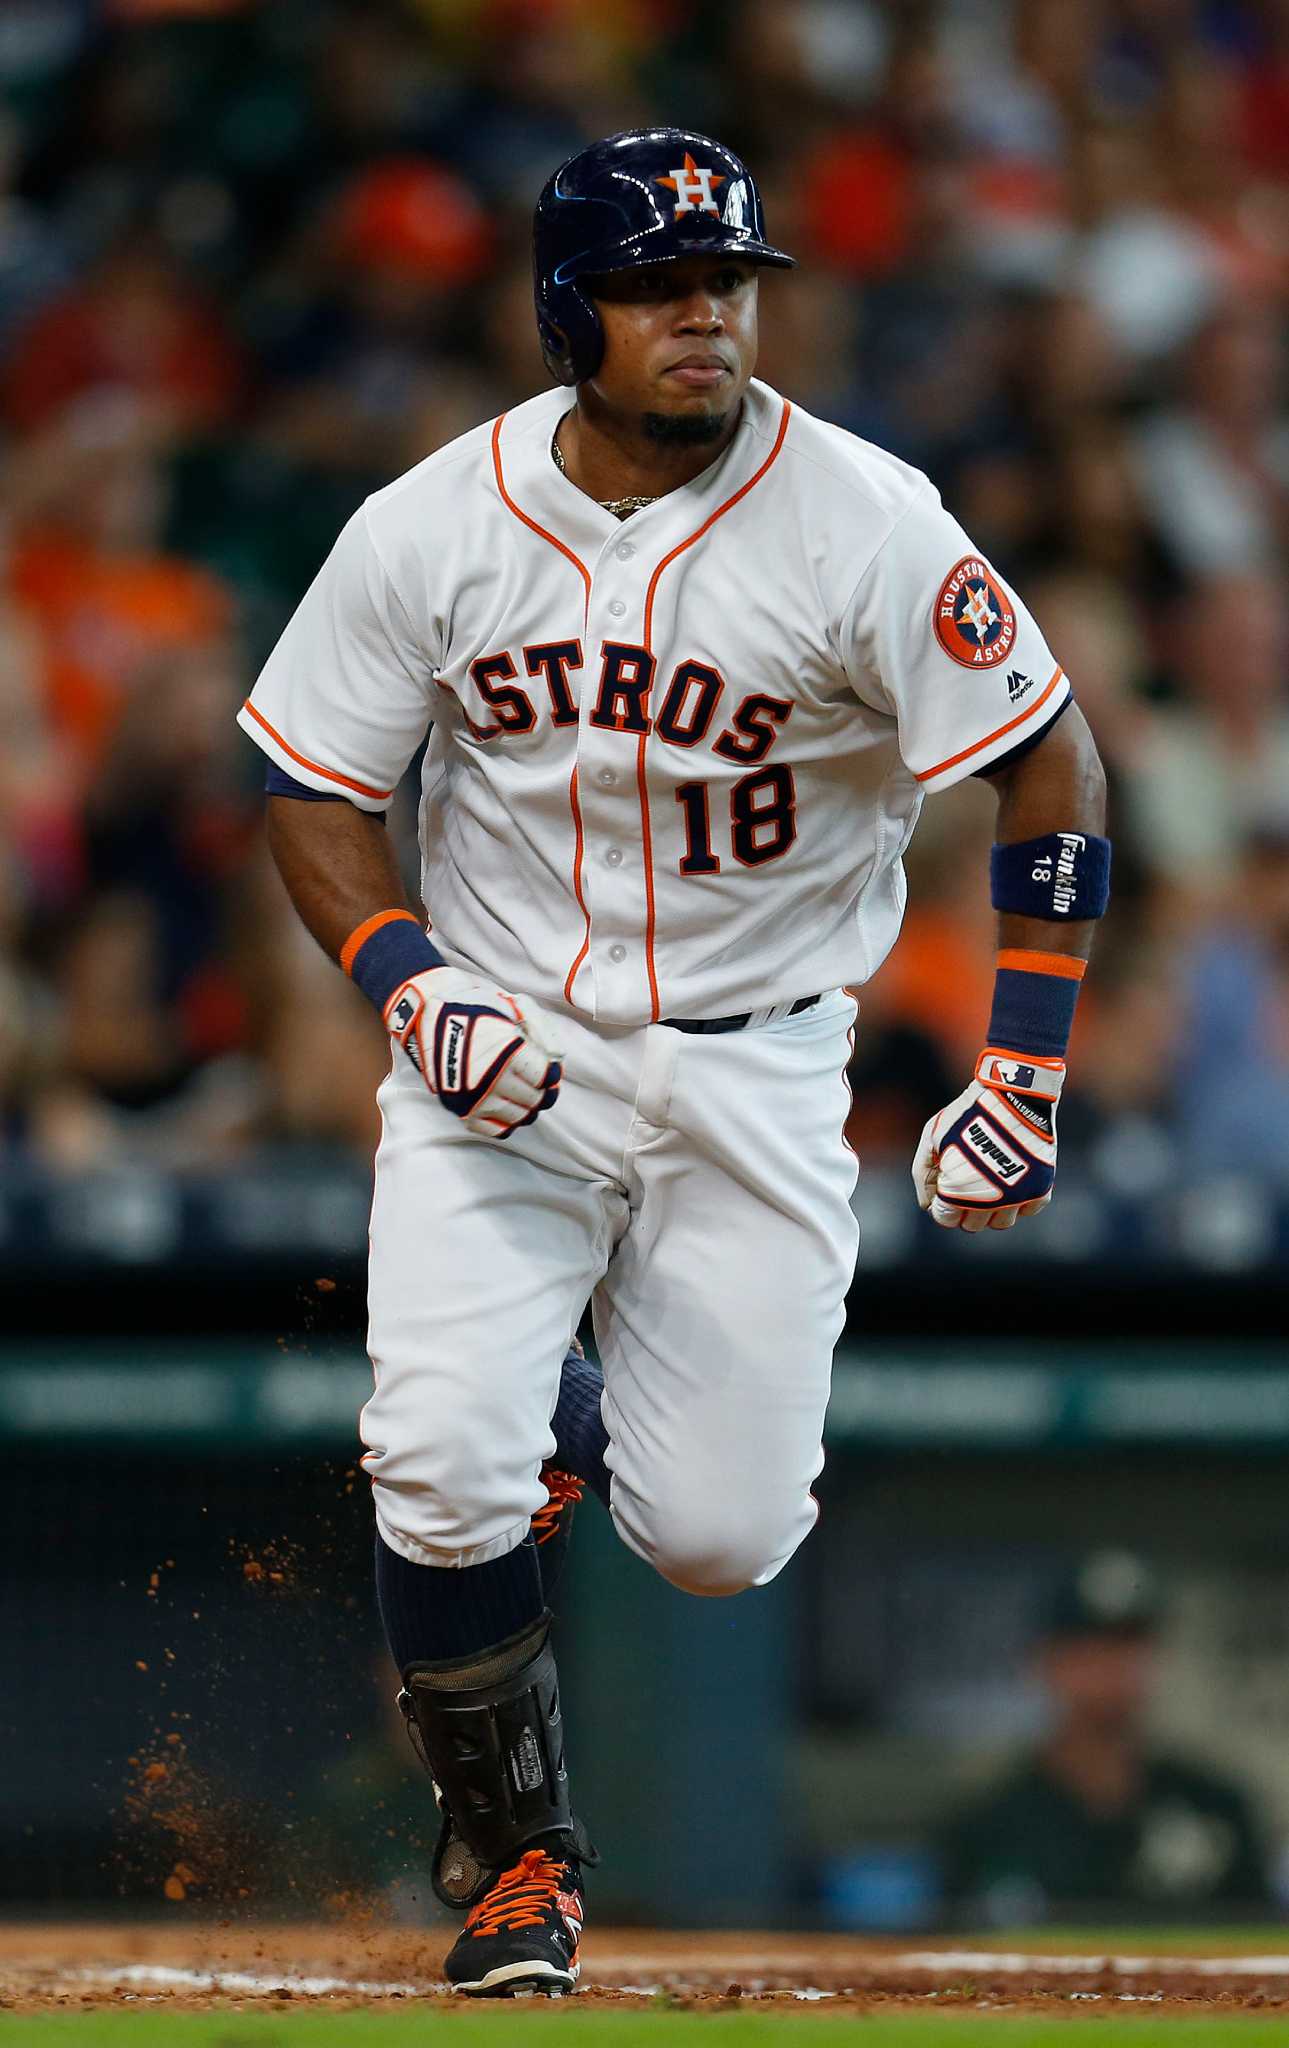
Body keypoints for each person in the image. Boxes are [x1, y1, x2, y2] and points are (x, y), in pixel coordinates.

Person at [240, 127, 1109, 1995]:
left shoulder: (866, 519)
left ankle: (575, 1417)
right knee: (436, 1462)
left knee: (717, 1538)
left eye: (722, 281)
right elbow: (310, 787)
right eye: (652, 284)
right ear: (570, 309)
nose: (702, 312)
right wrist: (400, 976)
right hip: (503, 1052)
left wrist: (1021, 1063)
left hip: (760, 1061)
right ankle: (514, 1865)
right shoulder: (428, 523)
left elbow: (1047, 764)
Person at [941, 1553, 1271, 1922]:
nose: (1111, 1666)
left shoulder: (1217, 1809)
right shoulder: (987, 1828)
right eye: (1089, 1646)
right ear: (1044, 1661)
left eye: (1128, 1644)